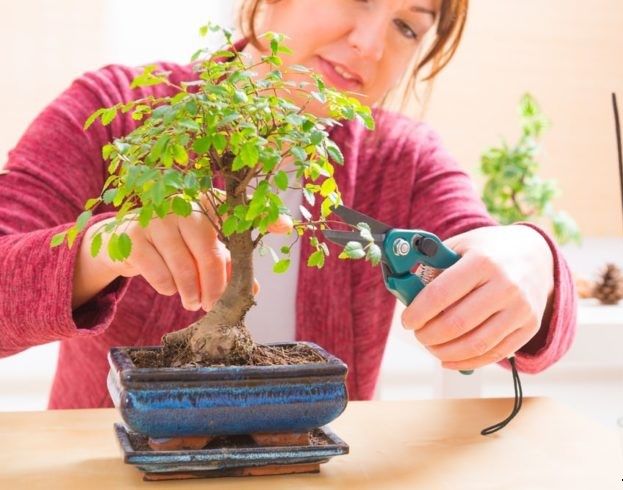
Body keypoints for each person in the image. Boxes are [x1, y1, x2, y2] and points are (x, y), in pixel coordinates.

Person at [0, 0, 576, 409]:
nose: (370, 44)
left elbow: (491, 272)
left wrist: (531, 260)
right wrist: (109, 243)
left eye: (406, 26)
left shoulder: (402, 160)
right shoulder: (120, 110)